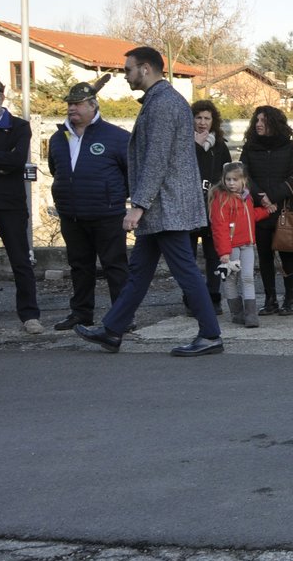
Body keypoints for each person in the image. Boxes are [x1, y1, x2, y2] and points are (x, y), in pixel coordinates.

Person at [75, 46, 223, 356]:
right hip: (163, 204)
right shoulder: (160, 101)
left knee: (184, 270)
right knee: (140, 271)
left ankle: (210, 334)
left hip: (166, 204)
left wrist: (138, 205)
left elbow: (157, 158)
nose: (125, 75)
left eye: (128, 69)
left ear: (145, 69)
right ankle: (112, 331)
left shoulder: (163, 104)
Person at [48, 80, 131, 331]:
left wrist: (116, 199)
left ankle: (122, 317)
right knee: (80, 267)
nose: (72, 109)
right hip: (72, 215)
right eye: (69, 104)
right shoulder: (57, 138)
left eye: (77, 104)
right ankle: (81, 313)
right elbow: (56, 170)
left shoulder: (116, 137)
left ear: (93, 105)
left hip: (107, 215)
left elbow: (131, 173)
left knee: (115, 266)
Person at [0, 72, 42, 334]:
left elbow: (17, 160)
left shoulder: (20, 126)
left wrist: (4, 163)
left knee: (21, 261)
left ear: (0, 97)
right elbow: (7, 162)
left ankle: (30, 316)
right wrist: (1, 162)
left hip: (10, 204)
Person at [240, 105, 293, 316]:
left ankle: (290, 299)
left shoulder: (291, 147)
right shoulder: (250, 148)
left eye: (264, 121)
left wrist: (273, 197)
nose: (258, 124)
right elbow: (244, 176)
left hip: (284, 209)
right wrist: (262, 198)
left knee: (287, 254)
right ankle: (270, 300)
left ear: (274, 124)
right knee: (265, 257)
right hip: (259, 211)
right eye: (256, 120)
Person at [207, 161, 270, 328]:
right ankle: (237, 313)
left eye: (235, 180)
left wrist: (265, 211)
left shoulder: (246, 197)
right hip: (231, 247)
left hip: (247, 244)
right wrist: (224, 252)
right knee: (230, 279)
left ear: (244, 180)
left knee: (248, 277)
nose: (231, 183)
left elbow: (248, 216)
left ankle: (251, 314)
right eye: (228, 179)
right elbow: (219, 227)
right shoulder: (221, 199)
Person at [190, 99, 232, 313]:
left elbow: (228, 175)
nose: (203, 122)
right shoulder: (185, 143)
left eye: (207, 118)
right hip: (188, 209)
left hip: (213, 209)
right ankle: (191, 300)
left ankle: (213, 298)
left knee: (213, 256)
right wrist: (196, 146)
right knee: (187, 258)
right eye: (198, 117)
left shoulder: (219, 145)